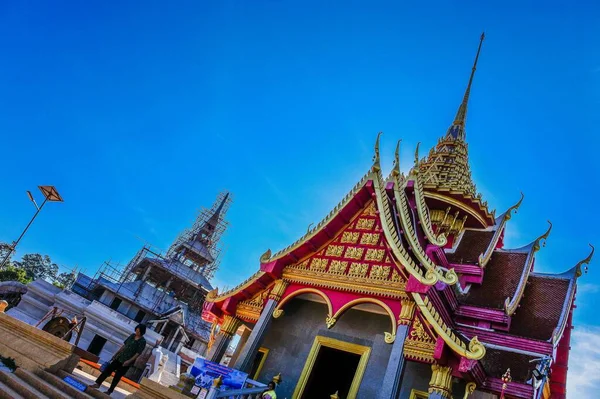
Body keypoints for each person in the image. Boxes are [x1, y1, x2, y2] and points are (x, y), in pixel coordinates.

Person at [90, 324, 147, 395]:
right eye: (136, 330)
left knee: (117, 376)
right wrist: (116, 354)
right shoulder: (132, 336)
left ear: (142, 332)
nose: (137, 332)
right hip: (120, 357)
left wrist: (129, 361)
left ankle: (110, 391)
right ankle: (98, 383)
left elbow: (138, 353)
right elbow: (124, 345)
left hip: (127, 361)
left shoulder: (142, 341)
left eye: (138, 331)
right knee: (108, 370)